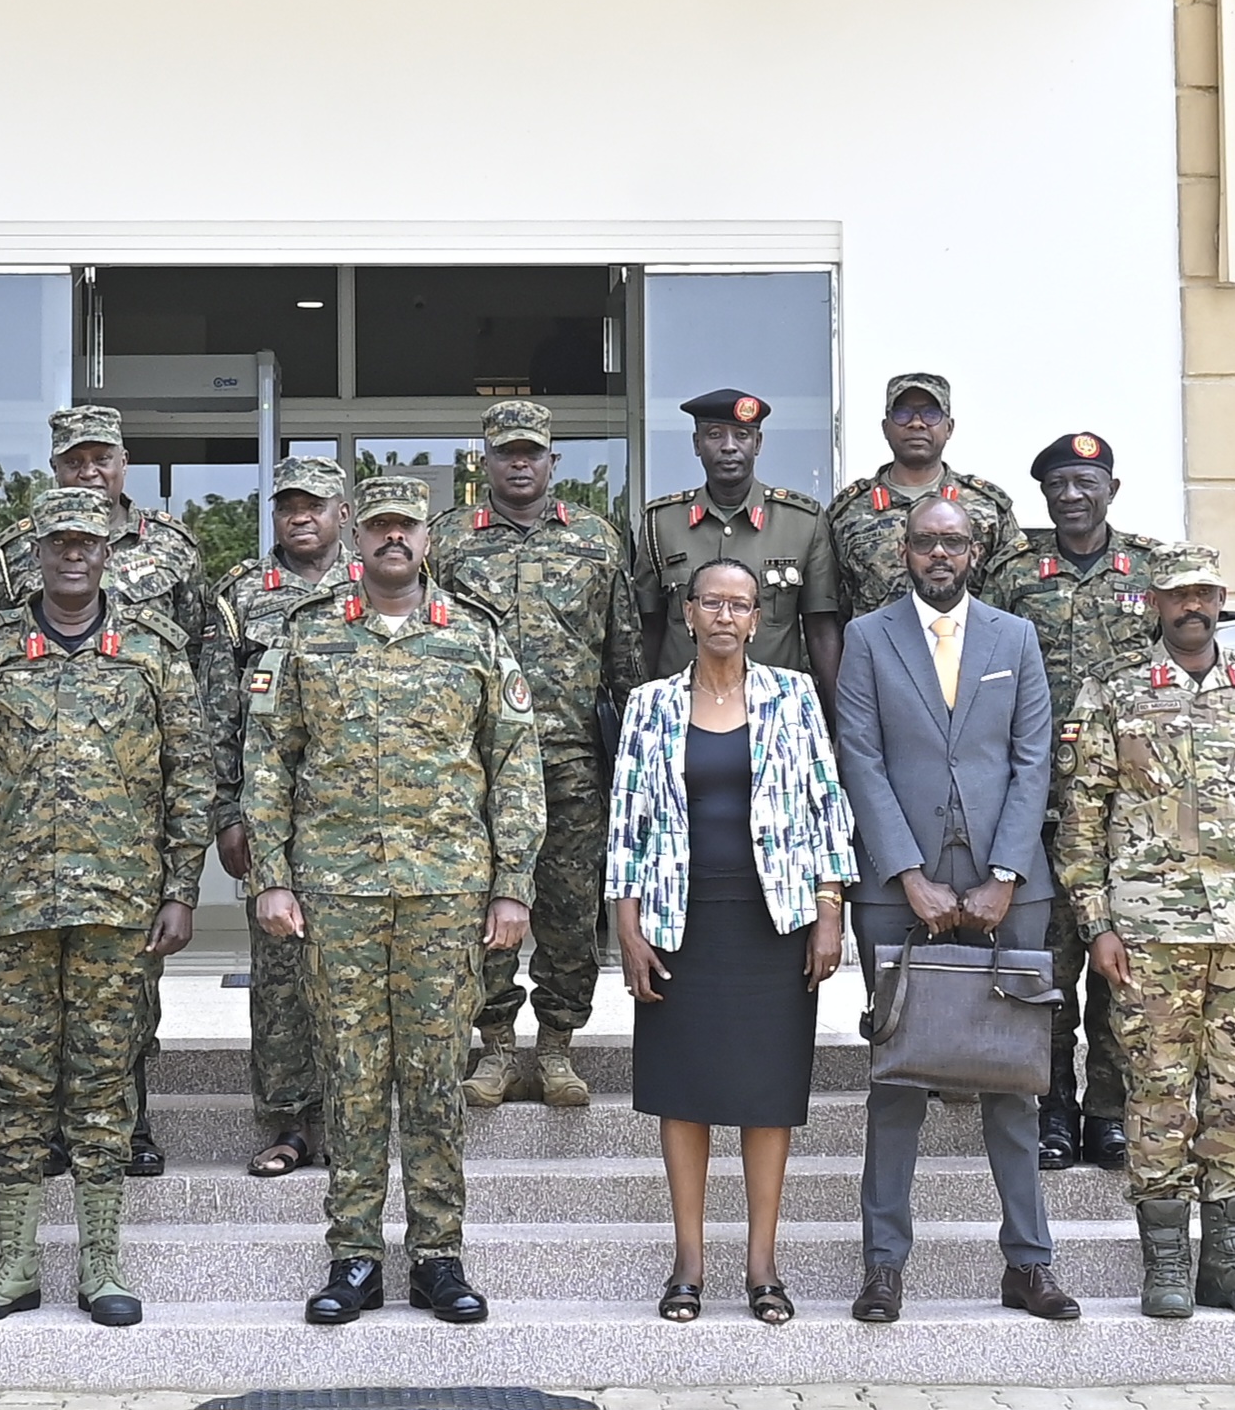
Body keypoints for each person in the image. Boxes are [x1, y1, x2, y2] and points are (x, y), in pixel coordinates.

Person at [243, 472, 544, 1328]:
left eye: (405, 525)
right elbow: (268, 761)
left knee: (434, 1075)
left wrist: (512, 884)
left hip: (446, 891)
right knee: (350, 1076)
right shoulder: (306, 637)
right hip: (335, 892)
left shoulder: (474, 638)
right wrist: (270, 873)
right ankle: (353, 1255)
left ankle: (439, 1254)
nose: (391, 539)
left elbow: (514, 768)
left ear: (427, 535)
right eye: (377, 525)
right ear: (355, 534)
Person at [0, 485, 212, 1327]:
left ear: (108, 549)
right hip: (11, 909)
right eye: (59, 542)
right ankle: (14, 1261)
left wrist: (179, 887)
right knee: (17, 1086)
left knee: (101, 1084)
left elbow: (188, 774)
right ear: (37, 551)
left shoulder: (153, 650)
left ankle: (100, 1264)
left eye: (88, 541)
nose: (73, 554)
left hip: (118, 907)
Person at [1054, 549, 1235, 1320]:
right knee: (1159, 1094)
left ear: (1218, 597)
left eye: (1203, 592)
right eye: (1177, 595)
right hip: (1148, 935)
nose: (1191, 606)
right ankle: (1165, 1261)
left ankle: (1231, 1259)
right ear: (1155, 603)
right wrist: (1096, 922)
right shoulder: (1115, 692)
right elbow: (1082, 818)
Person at [832, 494, 1079, 1325]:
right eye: (926, 540)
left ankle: (1029, 1264)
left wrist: (1005, 870)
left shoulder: (1014, 636)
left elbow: (1031, 756)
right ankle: (883, 1265)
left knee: (1013, 1081)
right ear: (903, 550)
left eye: (954, 541)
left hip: (1008, 889)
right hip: (898, 891)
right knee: (896, 1077)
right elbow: (859, 756)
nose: (940, 553)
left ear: (974, 552)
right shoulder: (867, 638)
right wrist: (906, 873)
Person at [607, 557, 855, 1326]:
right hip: (680, 919)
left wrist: (828, 906)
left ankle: (762, 1264)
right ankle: (688, 1263)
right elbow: (626, 823)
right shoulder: (649, 705)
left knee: (766, 1095)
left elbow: (825, 803)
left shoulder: (793, 695)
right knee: (681, 1094)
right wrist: (626, 924)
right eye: (710, 600)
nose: (724, 614)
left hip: (771, 919)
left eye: (739, 604)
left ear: (756, 619)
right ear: (686, 612)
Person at [0, 403, 207, 1176]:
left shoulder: (174, 547)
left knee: (124, 992)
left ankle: (127, 1125)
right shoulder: (17, 550)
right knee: (34, 1005)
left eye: (101, 456)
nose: (88, 469)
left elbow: (201, 662)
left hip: (128, 812)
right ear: (55, 465)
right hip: (30, 823)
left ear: (124, 461)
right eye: (74, 458)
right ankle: (44, 1130)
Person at [430, 398, 639, 1114]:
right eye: (505, 452)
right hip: (474, 764)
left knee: (569, 910)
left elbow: (624, 657)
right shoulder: (446, 541)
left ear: (553, 461)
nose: (519, 463)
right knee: (482, 907)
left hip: (569, 758)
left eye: (532, 452)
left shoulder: (596, 538)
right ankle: (494, 1046)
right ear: (482, 461)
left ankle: (554, 1046)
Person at [984, 430, 1173, 1171]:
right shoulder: (1014, 574)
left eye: (1083, 483)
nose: (1070, 495)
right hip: (1042, 807)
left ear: (1110, 491)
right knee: (1049, 971)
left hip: (1132, 813)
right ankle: (1052, 1108)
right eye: (1057, 484)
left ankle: (1108, 1111)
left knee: (1119, 970)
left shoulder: (1154, 569)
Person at [199, 453, 356, 1176]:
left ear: (341, 514)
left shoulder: (382, 586)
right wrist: (228, 811)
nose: (299, 515)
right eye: (287, 503)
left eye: (314, 503)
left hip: (361, 816)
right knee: (280, 973)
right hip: (272, 813)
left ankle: (350, 1121)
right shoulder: (239, 594)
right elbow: (218, 711)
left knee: (353, 975)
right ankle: (288, 1121)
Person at [634, 390, 839, 686]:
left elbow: (821, 631)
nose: (729, 447)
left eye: (741, 435)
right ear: (697, 444)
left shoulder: (802, 522)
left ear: (757, 444)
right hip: (683, 708)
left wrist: (837, 726)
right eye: (714, 435)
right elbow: (649, 629)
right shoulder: (661, 523)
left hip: (774, 709)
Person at [825, 372, 1030, 625]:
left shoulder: (987, 508)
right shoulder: (849, 512)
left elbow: (1016, 592)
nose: (917, 424)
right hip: (877, 657)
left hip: (969, 656)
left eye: (931, 414)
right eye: (903, 414)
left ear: (949, 428)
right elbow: (827, 607)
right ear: (885, 427)